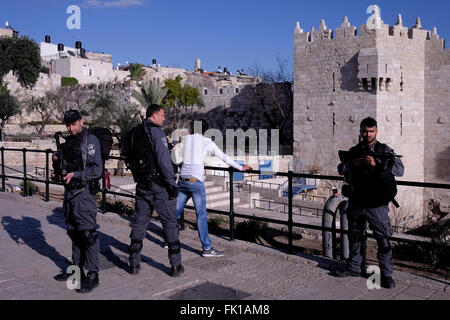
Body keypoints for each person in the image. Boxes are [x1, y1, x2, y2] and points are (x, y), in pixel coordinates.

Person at [335, 117, 404, 289]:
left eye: (371, 131)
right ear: (360, 131)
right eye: (365, 131)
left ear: (376, 131)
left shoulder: (385, 150)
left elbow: (399, 170)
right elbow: (340, 169)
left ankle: (386, 275)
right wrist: (354, 164)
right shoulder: (355, 150)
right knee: (355, 234)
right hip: (358, 201)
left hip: (377, 203)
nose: (368, 134)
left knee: (383, 239)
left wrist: (377, 163)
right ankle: (354, 267)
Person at [173, 119, 252, 257]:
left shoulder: (186, 139)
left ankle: (170, 240)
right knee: (201, 216)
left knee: (174, 212)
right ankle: (207, 248)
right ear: (205, 130)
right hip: (195, 182)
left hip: (182, 180)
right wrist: (240, 167)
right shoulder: (206, 142)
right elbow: (223, 157)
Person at [126, 104, 183, 277]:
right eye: (162, 115)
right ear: (155, 115)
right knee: (170, 224)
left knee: (140, 222)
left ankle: (134, 264)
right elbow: (165, 163)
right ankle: (175, 266)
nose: (164, 119)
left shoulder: (136, 132)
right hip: (159, 187)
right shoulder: (157, 133)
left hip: (142, 185)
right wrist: (172, 185)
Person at [52, 110, 103, 293]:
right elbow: (67, 167)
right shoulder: (69, 141)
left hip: (84, 194)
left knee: (88, 234)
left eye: (73, 124)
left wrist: (77, 174)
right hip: (70, 193)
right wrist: (57, 165)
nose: (70, 128)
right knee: (73, 232)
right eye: (68, 125)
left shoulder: (90, 141)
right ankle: (77, 270)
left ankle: (93, 274)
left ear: (81, 121)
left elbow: (97, 170)